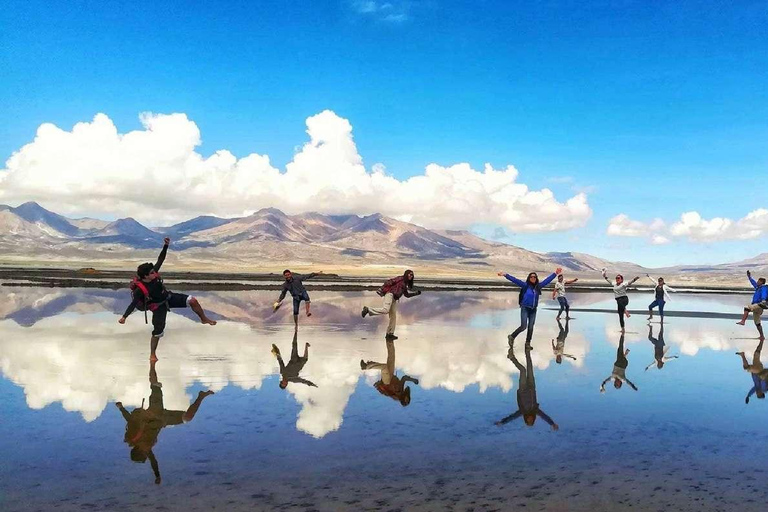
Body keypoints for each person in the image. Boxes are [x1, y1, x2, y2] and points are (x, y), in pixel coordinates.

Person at [115, 359, 214, 484]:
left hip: (153, 412)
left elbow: (129, 419)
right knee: (187, 418)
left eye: (146, 451)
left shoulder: (133, 436)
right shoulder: (147, 448)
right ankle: (201, 396)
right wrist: (157, 475)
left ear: (139, 448)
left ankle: (152, 364)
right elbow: (154, 461)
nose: (149, 450)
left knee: (155, 385)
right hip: (163, 420)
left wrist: (121, 408)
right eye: (147, 453)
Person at [118, 238, 217, 361]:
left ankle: (204, 319)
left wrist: (166, 245)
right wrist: (124, 317)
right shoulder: (140, 290)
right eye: (152, 273)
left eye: (154, 271)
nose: (155, 273)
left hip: (168, 297)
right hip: (158, 306)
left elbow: (161, 259)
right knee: (158, 331)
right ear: (145, 276)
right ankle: (152, 354)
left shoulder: (153, 274)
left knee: (192, 300)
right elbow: (133, 304)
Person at [496, 341, 559, 430]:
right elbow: (545, 417)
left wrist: (502, 422)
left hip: (523, 388)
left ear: (526, 419)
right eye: (531, 421)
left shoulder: (522, 411)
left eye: (528, 421)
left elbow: (512, 417)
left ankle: (512, 357)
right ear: (533, 419)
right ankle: (527, 351)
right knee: (530, 366)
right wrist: (552, 424)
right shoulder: (535, 410)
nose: (530, 419)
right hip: (532, 386)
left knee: (523, 370)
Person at [497, 268, 562, 346]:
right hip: (525, 308)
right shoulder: (525, 285)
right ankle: (512, 336)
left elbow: (547, 280)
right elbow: (515, 280)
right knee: (523, 326)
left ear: (536, 278)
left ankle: (528, 343)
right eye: (531, 277)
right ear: (529, 278)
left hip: (533, 309)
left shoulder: (538, 287)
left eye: (534, 277)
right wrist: (505, 275)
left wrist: (555, 273)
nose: (533, 278)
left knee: (531, 327)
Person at [361, 270, 421, 340]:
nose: (411, 276)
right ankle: (368, 310)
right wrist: (382, 289)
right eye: (410, 274)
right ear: (406, 274)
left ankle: (390, 334)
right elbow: (389, 282)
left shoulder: (405, 284)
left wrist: (416, 293)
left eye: (412, 275)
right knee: (385, 310)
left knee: (393, 317)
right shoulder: (400, 278)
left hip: (394, 299)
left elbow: (406, 295)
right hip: (390, 294)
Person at [360, 339, 419, 406]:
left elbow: (402, 379)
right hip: (391, 376)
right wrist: (412, 380)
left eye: (406, 400)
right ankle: (389, 340)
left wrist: (413, 380)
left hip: (387, 381)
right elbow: (404, 378)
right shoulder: (400, 392)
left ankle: (366, 366)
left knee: (384, 367)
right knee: (391, 356)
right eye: (408, 399)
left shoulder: (398, 395)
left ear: (403, 400)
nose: (406, 398)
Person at [736, 271, 768, 341]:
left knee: (747, 308)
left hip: (759, 305)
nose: (757, 282)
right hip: (756, 306)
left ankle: (743, 321)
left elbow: (764, 294)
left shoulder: (764, 288)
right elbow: (753, 282)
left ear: (761, 282)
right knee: (757, 323)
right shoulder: (758, 287)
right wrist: (749, 277)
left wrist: (763, 300)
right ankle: (762, 336)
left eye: (758, 281)